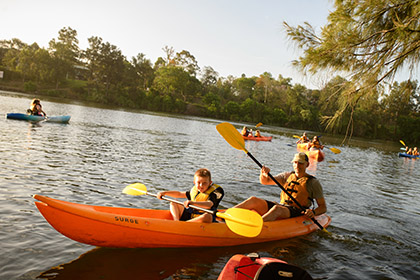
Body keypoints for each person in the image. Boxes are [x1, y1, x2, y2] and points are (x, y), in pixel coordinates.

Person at [234, 152, 327, 222]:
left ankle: (255, 226)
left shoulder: (313, 183)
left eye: (301, 163)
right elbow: (265, 181)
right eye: (295, 162)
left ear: (307, 164)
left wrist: (313, 212)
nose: (297, 165)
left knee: (276, 209)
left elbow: (323, 207)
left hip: (297, 211)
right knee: (253, 200)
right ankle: (225, 215)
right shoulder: (286, 176)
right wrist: (264, 174)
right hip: (283, 206)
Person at [157, 168, 224, 223]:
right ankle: (176, 222)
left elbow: (209, 204)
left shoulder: (216, 191)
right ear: (194, 182)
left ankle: (184, 225)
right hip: (191, 214)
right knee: (174, 203)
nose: (201, 185)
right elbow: (179, 194)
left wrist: (193, 202)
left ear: (210, 183)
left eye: (204, 183)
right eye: (199, 182)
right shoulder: (195, 190)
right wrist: (164, 193)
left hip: (204, 218)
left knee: (207, 216)